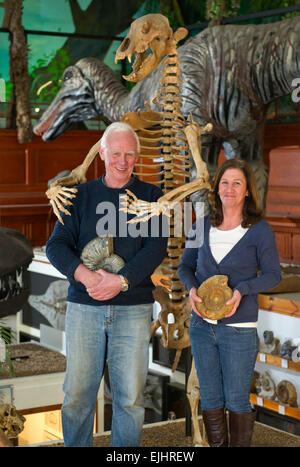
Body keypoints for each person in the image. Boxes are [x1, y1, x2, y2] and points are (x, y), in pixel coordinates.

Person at [46, 122, 167, 447]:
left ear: (137, 156)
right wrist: (86, 276)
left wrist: (122, 281)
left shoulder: (151, 196)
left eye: (129, 154)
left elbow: (156, 247)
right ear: (102, 153)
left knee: (129, 399)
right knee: (77, 397)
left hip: (133, 310)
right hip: (84, 309)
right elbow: (55, 246)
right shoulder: (79, 196)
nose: (122, 161)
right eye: (116, 153)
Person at [178, 159, 281, 447]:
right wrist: (192, 289)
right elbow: (184, 268)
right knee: (210, 399)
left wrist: (242, 289)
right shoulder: (201, 225)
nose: (230, 189)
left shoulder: (259, 230)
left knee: (236, 400)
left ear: (247, 190)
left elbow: (274, 275)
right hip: (201, 327)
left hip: (239, 329)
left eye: (237, 183)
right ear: (217, 187)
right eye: (225, 182)